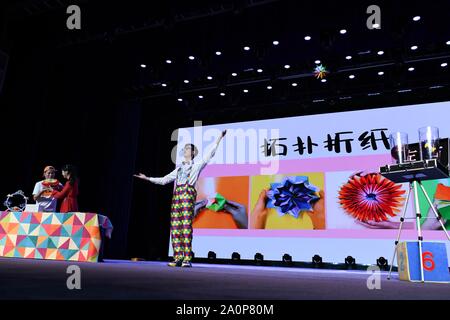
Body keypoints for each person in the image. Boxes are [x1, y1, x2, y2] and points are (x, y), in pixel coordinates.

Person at [134, 130, 226, 267]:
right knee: (175, 227)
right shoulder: (178, 169)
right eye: (185, 148)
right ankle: (178, 257)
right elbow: (164, 180)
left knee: (185, 227)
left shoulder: (196, 165)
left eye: (188, 148)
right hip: (177, 197)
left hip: (187, 196)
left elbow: (210, 153)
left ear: (193, 152)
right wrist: (147, 178)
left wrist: (219, 137)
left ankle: (187, 259)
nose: (185, 150)